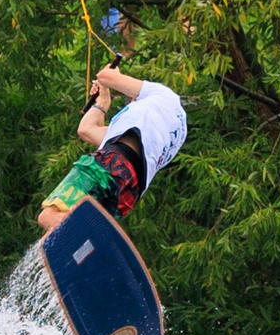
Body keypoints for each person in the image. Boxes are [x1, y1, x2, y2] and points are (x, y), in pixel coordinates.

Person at [37, 65, 187, 235]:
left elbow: (105, 76)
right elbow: (86, 130)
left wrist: (112, 74)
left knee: (48, 216)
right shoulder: (168, 133)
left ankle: (68, 234)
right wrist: (103, 100)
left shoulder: (163, 94)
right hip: (129, 191)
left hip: (110, 163)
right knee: (71, 226)